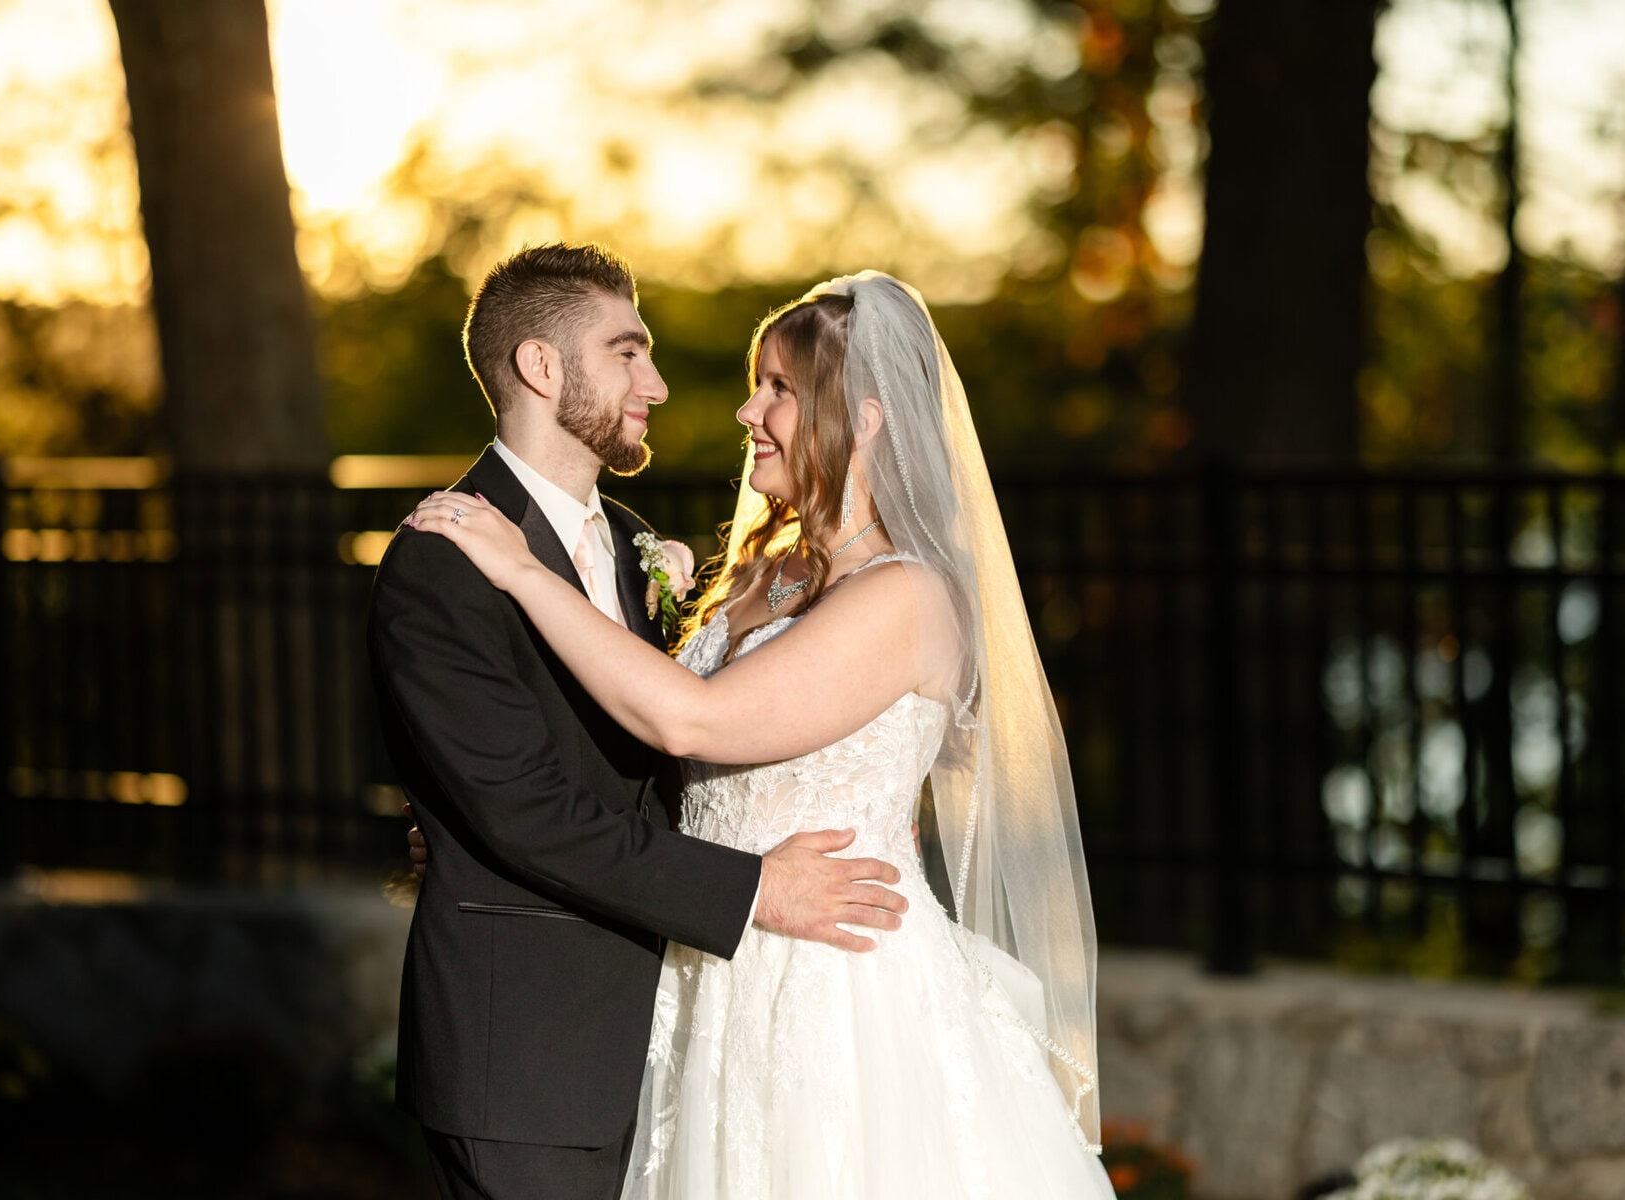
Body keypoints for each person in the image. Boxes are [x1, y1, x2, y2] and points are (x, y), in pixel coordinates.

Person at [406, 270, 1113, 1197]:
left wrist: (524, 572)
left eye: (780, 387)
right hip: (710, 976)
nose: (748, 411)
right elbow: (652, 759)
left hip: (835, 992)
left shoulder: (906, 596)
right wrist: (473, 821)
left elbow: (688, 717)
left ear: (862, 418)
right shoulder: (764, 576)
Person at [367, 243, 910, 1200]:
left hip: (686, 1027)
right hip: (532, 1053)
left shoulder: (629, 542)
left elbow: (653, 754)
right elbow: (526, 809)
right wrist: (751, 891)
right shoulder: (446, 556)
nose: (656, 384)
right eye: (629, 352)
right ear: (542, 368)